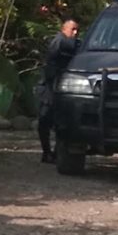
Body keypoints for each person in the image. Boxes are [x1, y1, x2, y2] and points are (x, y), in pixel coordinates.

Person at [39, 19, 79, 164]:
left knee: (60, 123)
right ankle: (47, 152)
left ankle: (54, 153)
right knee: (45, 121)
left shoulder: (68, 43)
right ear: (64, 29)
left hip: (59, 88)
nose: (75, 33)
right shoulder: (60, 41)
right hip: (51, 88)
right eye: (72, 29)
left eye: (77, 30)